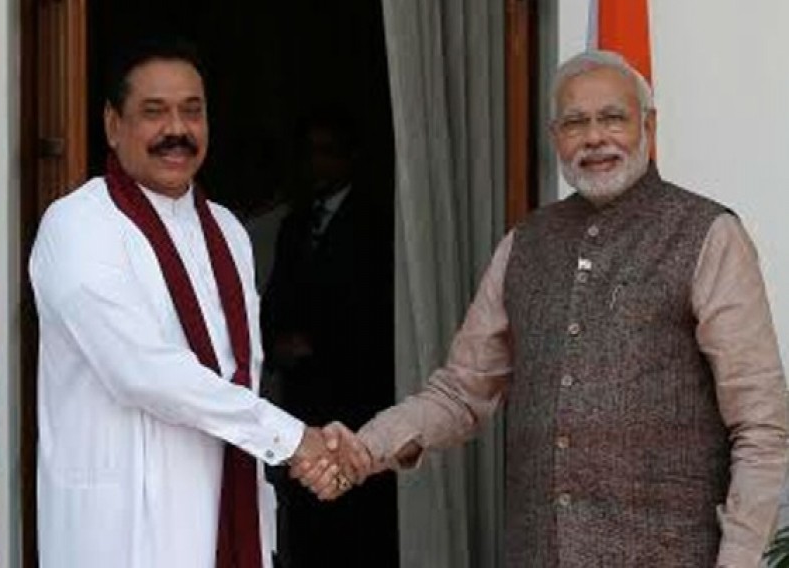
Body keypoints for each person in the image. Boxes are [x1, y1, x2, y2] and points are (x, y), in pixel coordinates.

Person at [302, 50, 789, 567]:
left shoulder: (708, 235)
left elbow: (761, 426)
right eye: (576, 122)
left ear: (648, 125)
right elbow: (462, 392)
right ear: (556, 137)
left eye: (613, 118)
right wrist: (367, 447)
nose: (595, 137)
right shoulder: (526, 243)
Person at [28, 36, 365, 568]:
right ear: (113, 125)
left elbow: (240, 373)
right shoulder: (78, 225)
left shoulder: (227, 231)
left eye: (192, 112)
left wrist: (297, 444)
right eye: (154, 113)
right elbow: (143, 371)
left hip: (228, 515)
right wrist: (292, 438)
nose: (177, 131)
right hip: (120, 536)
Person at [261, 108, 397, 567]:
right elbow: (273, 299)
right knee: (305, 523)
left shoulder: (379, 225)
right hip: (301, 400)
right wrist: (276, 344)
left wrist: (324, 346)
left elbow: (381, 313)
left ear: (351, 156)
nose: (319, 164)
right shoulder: (295, 225)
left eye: (329, 152)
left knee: (357, 527)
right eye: (311, 154)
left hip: (359, 397)